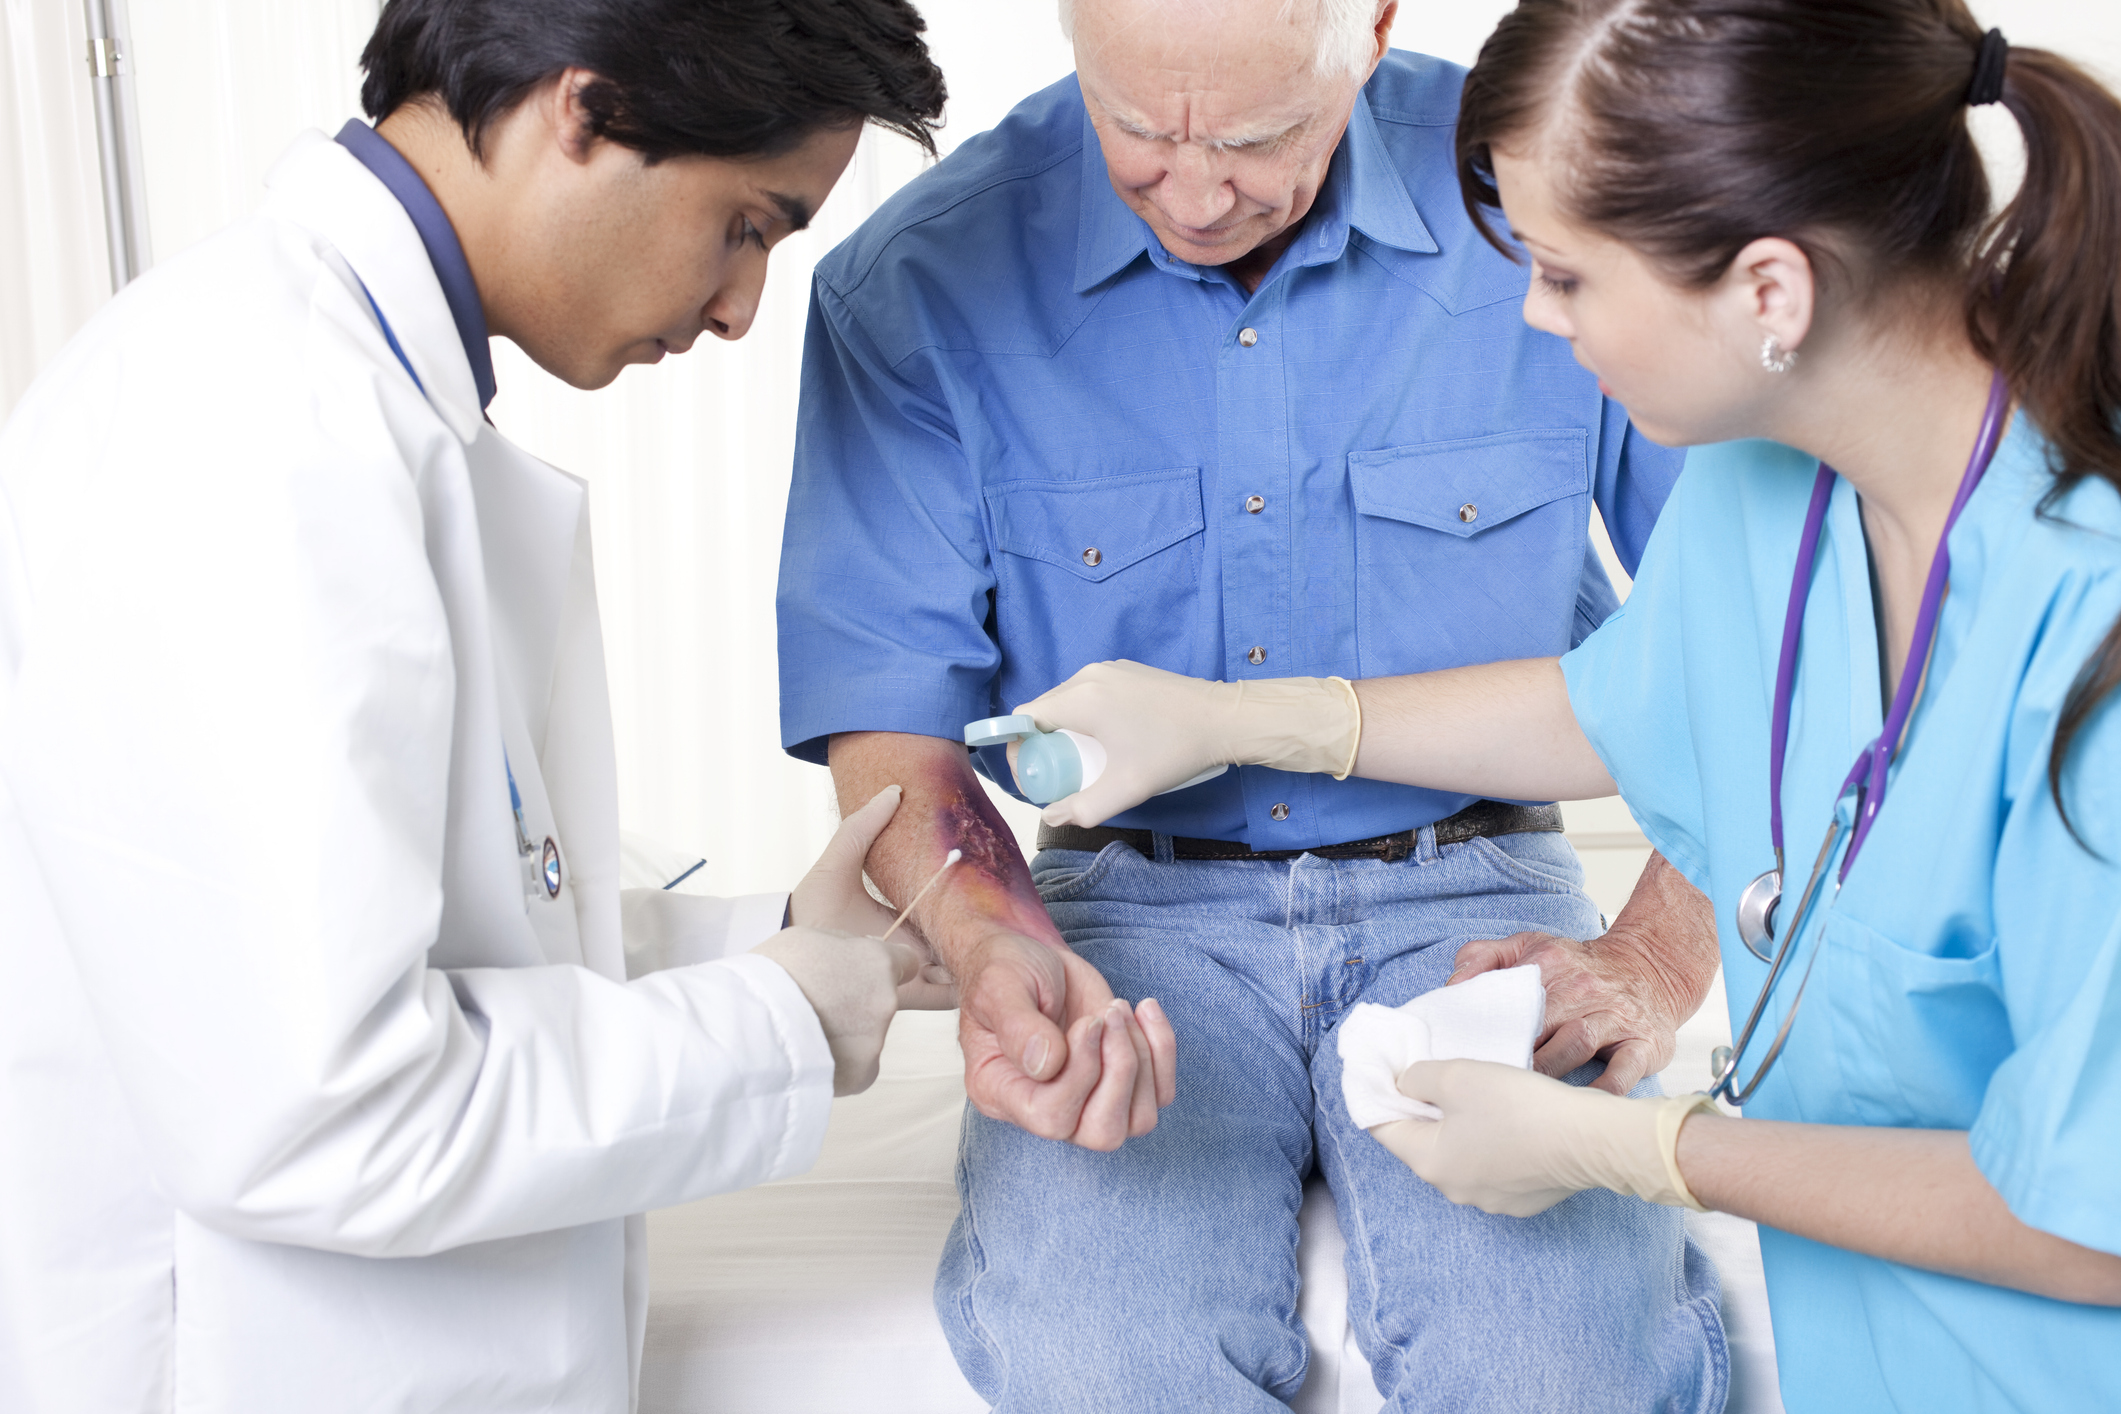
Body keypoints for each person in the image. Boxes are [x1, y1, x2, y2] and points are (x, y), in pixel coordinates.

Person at [1018, 1, 2121, 1408]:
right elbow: (1623, 708)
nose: (1535, 317)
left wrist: (1628, 1150)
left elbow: (2089, 1219)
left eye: (1564, 274)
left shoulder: (2088, 618)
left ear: (1767, 292)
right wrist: (1238, 722)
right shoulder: (1764, 478)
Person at [777, 0, 1731, 1406]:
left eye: (1255, 134)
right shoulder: (915, 283)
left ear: (1377, 23)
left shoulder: (1555, 205)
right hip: (1125, 908)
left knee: (1559, 1368)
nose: (1196, 189)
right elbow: (892, 733)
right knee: (1097, 1358)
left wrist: (1655, 957)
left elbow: (1777, 642)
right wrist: (992, 960)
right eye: (1136, 130)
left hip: (1470, 894)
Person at [0, 2, 947, 1410]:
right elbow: (327, 1107)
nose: (745, 307)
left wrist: (780, 943)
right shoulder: (246, 432)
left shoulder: (365, 403)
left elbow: (467, 922)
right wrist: (778, 1023)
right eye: (749, 225)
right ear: (586, 111)